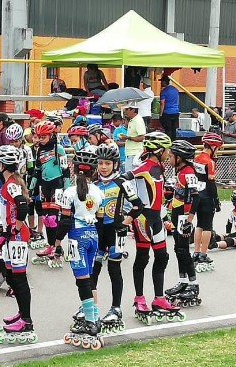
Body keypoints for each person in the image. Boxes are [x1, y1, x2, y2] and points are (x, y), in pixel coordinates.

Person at [121, 132, 184, 325]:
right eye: (167, 150)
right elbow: (122, 180)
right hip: (143, 219)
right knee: (142, 258)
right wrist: (134, 202)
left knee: (162, 257)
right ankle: (139, 298)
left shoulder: (160, 167)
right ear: (159, 150)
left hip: (157, 218)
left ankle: (159, 298)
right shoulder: (145, 167)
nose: (169, 153)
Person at [92, 143, 143, 333]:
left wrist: (125, 223)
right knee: (93, 271)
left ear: (115, 164)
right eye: (100, 163)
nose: (103, 167)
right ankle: (89, 307)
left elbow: (138, 206)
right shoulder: (93, 184)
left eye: (107, 163)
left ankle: (116, 308)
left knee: (114, 270)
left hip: (115, 233)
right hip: (97, 232)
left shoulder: (122, 182)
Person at [56, 150, 104, 349]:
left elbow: (65, 221)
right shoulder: (98, 191)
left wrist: (57, 243)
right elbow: (101, 218)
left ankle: (90, 322)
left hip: (77, 237)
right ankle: (94, 317)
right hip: (93, 235)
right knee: (89, 279)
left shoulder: (69, 192)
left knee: (82, 281)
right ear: (94, 171)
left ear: (74, 170)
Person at [0, 145, 37, 344]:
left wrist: (15, 229)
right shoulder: (10, 182)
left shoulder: (11, 184)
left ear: (2, 165)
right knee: (11, 276)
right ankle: (22, 312)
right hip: (11, 235)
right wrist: (6, 233)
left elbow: (22, 206)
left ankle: (26, 321)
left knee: (19, 279)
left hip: (17, 237)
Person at [163, 141, 201, 308]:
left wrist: (189, 220)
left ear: (180, 158)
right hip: (177, 213)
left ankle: (193, 285)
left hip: (184, 216)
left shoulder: (189, 172)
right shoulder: (179, 170)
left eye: (171, 156)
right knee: (178, 248)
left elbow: (196, 198)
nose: (169, 158)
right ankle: (183, 281)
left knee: (183, 250)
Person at [30, 121, 69, 267]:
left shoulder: (59, 149)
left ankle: (57, 247)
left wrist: (67, 190)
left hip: (56, 184)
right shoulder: (40, 150)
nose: (40, 140)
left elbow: (65, 170)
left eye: (43, 137)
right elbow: (37, 171)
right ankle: (50, 245)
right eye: (39, 137)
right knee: (46, 219)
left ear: (51, 135)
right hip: (44, 185)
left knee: (53, 218)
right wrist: (31, 187)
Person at [192, 132, 223, 272]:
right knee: (207, 226)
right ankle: (203, 255)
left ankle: (196, 252)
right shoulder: (210, 162)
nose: (218, 151)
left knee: (199, 224)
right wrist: (216, 200)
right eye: (218, 148)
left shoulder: (197, 158)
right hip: (207, 196)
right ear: (213, 146)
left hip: (197, 194)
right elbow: (211, 184)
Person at [119, 102, 146, 171]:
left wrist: (128, 138)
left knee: (130, 175)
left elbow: (142, 137)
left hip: (134, 153)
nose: (125, 111)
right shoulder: (132, 120)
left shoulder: (138, 120)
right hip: (131, 153)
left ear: (133, 110)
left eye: (127, 109)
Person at [159, 76, 180, 141]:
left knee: (168, 130)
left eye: (161, 81)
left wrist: (160, 114)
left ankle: (168, 143)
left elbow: (162, 103)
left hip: (167, 112)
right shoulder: (175, 89)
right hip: (175, 112)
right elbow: (177, 100)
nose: (161, 83)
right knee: (174, 129)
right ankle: (174, 142)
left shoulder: (164, 91)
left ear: (164, 82)